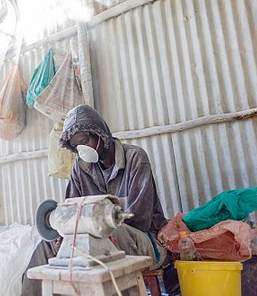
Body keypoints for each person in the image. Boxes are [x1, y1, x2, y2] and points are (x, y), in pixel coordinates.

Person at [21, 104, 178, 295]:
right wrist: (64, 233)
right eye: (76, 146)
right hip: (97, 238)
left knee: (111, 234)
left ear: (100, 134)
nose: (82, 149)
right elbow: (71, 212)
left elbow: (140, 220)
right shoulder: (81, 168)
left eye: (85, 140)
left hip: (143, 240)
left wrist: (96, 226)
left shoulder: (136, 158)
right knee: (48, 245)